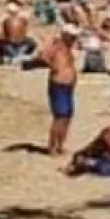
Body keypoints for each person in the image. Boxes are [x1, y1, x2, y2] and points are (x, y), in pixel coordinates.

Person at [43, 25, 80, 156]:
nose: (74, 39)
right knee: (59, 117)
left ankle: (60, 145)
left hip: (68, 86)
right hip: (58, 85)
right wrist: (54, 67)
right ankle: (52, 147)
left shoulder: (69, 49)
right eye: (72, 37)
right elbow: (43, 56)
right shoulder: (57, 47)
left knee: (67, 116)